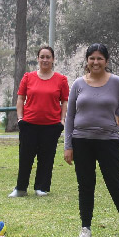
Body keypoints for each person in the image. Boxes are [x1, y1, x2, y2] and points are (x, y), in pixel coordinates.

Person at [63, 43, 119, 237]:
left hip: (108, 140)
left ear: (106, 61)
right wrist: (68, 145)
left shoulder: (116, 82)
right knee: (85, 185)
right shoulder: (78, 84)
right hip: (81, 140)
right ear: (87, 61)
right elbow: (70, 116)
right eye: (92, 58)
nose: (95, 62)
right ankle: (85, 229)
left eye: (100, 58)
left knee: (115, 183)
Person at [13, 46, 70, 198]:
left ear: (53, 59)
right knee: (25, 156)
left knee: (47, 157)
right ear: (37, 59)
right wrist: (20, 118)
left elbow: (64, 101)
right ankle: (20, 188)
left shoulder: (61, 79)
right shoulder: (28, 77)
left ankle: (41, 187)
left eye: (48, 57)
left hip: (51, 125)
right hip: (29, 124)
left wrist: (62, 120)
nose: (45, 60)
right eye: (42, 57)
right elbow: (20, 98)